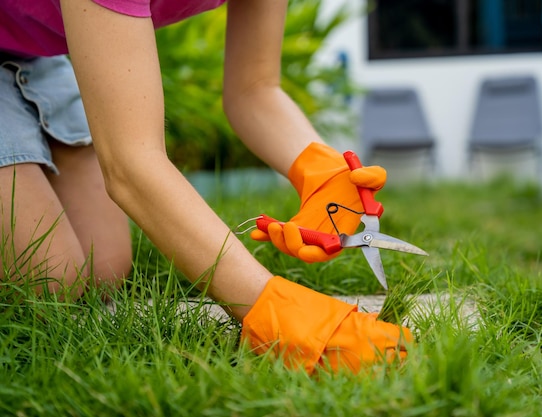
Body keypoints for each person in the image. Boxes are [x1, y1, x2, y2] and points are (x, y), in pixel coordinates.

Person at [0, 0, 413, 374]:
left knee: (103, 267)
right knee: (48, 281)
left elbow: (255, 89)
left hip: (41, 53)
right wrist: (271, 309)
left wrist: (318, 168)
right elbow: (130, 164)